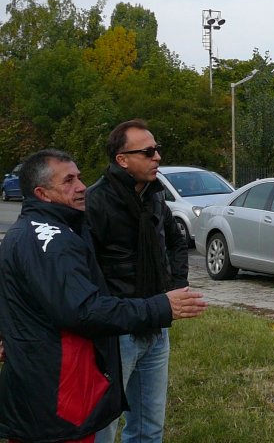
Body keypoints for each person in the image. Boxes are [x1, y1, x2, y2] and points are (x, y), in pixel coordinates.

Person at [0, 149, 207, 443]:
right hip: (58, 398)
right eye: (68, 181)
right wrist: (160, 306)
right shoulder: (53, 241)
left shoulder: (40, 230)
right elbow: (82, 310)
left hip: (43, 391)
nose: (81, 186)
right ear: (42, 193)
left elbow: (17, 294)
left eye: (79, 177)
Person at [85, 120, 191, 443]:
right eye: (148, 152)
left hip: (155, 324)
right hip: (117, 330)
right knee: (102, 424)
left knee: (149, 427)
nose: (157, 156)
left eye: (157, 149)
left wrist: (175, 288)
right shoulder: (96, 202)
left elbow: (176, 241)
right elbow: (84, 266)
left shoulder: (154, 196)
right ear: (122, 159)